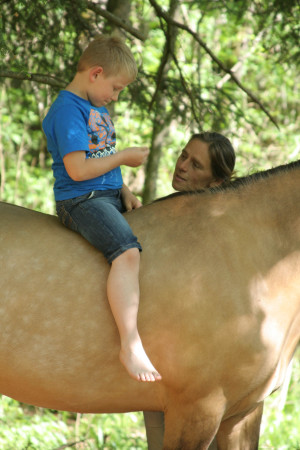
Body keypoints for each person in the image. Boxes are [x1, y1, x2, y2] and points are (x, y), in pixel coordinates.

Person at [42, 35, 161, 383]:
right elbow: (79, 170)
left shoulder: (96, 109)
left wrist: (123, 189)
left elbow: (99, 159)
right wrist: (124, 157)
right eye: (116, 87)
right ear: (95, 74)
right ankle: (130, 344)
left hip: (106, 195)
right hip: (81, 199)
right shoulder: (68, 111)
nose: (116, 96)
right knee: (127, 254)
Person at [143, 131, 236, 448]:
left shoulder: (221, 233)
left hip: (204, 374)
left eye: (195, 164)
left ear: (215, 183)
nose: (182, 166)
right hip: (159, 364)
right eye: (184, 156)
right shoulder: (162, 212)